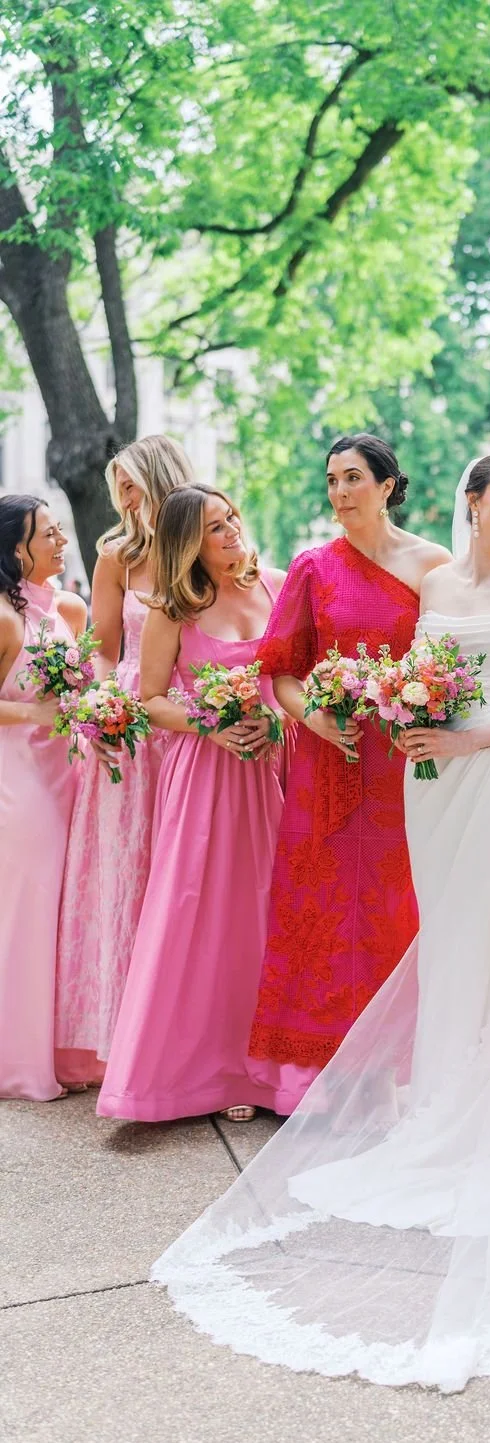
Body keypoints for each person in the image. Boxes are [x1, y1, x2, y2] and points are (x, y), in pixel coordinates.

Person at [152, 454, 490, 1395]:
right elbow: (408, 665)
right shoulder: (438, 579)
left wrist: (468, 737)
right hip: (425, 776)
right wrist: (402, 707)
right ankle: (440, 1106)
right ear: (472, 501)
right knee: (442, 937)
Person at [246, 435, 449, 1112]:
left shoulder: (434, 566)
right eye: (331, 479)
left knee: (397, 905)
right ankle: (317, 1078)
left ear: (389, 484)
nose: (339, 492)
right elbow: (281, 670)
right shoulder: (312, 567)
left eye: (354, 478)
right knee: (321, 905)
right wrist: (316, 718)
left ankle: (398, 1068)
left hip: (404, 763)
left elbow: (452, 665)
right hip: (325, 760)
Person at [97, 484, 290, 1123]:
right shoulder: (171, 611)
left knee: (270, 911)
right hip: (204, 779)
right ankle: (209, 1074)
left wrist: (276, 723)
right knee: (201, 916)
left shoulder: (280, 586)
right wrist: (211, 723)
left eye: (231, 516)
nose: (231, 531)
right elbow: (149, 701)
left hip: (270, 775)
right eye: (214, 527)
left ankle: (266, 1071)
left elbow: (298, 682)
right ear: (188, 543)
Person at [55, 435, 194, 1086]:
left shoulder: (205, 541)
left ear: (164, 480)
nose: (124, 500)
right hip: (132, 734)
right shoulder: (115, 554)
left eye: (133, 485)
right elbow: (102, 648)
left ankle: (188, 1034)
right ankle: (122, 1041)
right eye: (118, 490)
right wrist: (104, 706)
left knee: (190, 879)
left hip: (195, 723)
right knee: (128, 875)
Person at [0, 497, 87, 1099]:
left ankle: (61, 1049)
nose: (61, 542)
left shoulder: (68, 608)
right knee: (28, 909)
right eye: (48, 534)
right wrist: (33, 711)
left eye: (60, 531)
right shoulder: (4, 619)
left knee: (64, 909)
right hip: (19, 777)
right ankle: (17, 1060)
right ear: (15, 550)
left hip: (69, 771)